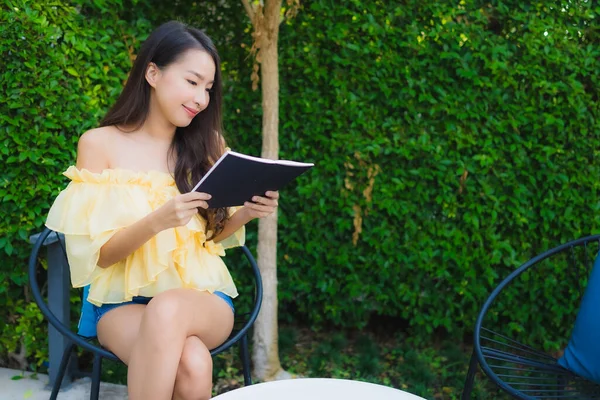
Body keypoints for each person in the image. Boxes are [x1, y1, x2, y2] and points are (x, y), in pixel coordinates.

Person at [45, 20, 279, 400]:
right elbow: (101, 257)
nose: (202, 98)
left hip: (203, 299)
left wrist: (247, 213)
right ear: (152, 73)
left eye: (208, 88)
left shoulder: (209, 145)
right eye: (192, 82)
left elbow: (210, 237)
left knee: (169, 308)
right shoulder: (98, 144)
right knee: (194, 365)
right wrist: (158, 220)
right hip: (121, 305)